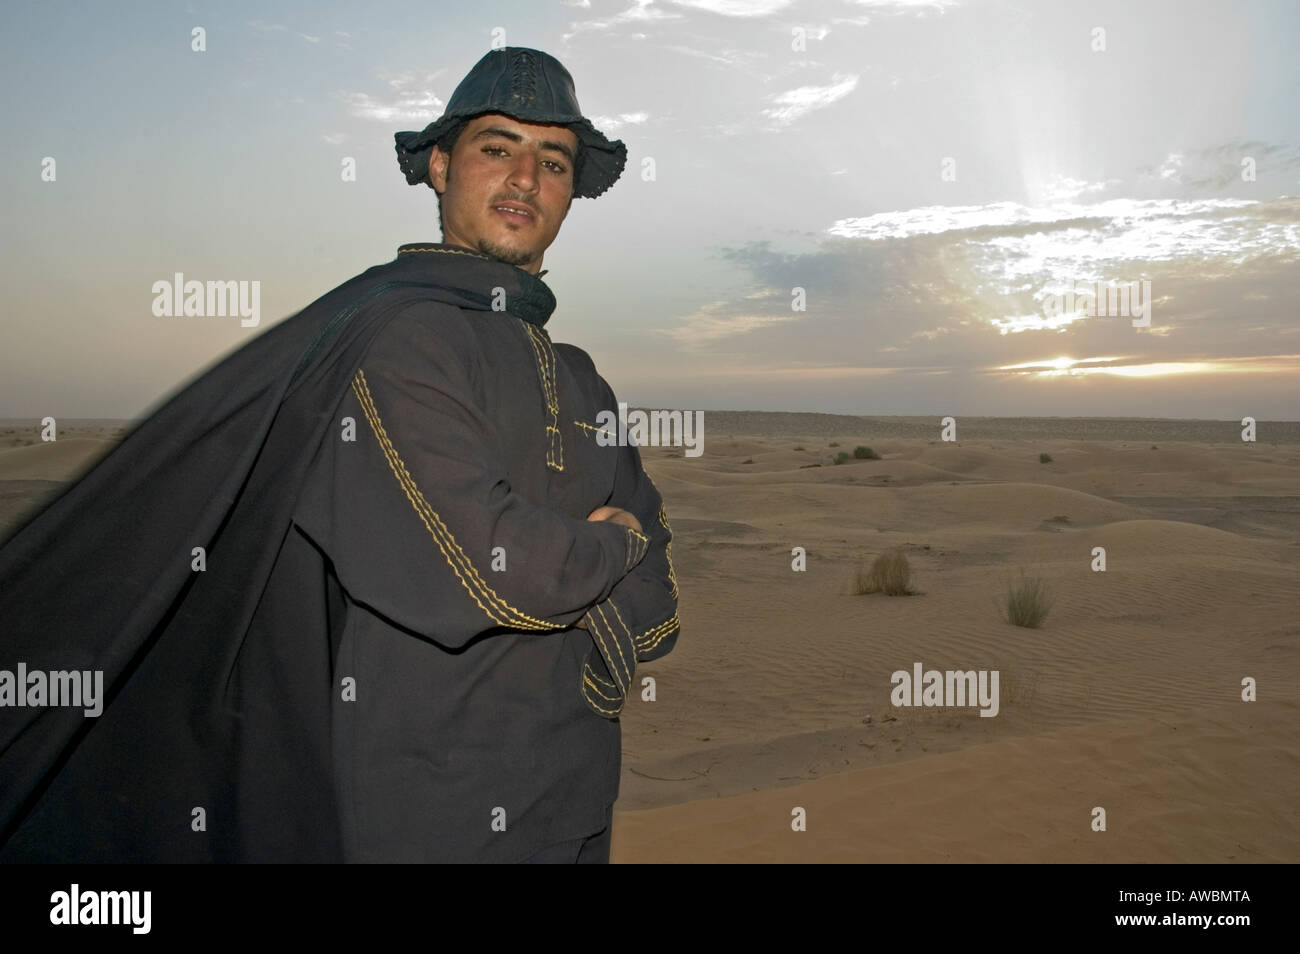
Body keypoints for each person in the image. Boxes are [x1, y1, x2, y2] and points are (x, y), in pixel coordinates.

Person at [0, 47, 679, 864]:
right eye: (496, 148)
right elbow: (495, 570)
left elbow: (664, 602)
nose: (525, 178)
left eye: (554, 160)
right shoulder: (399, 341)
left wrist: (610, 592)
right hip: (428, 817)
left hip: (575, 801)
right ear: (439, 165)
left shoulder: (583, 382)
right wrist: (617, 545)